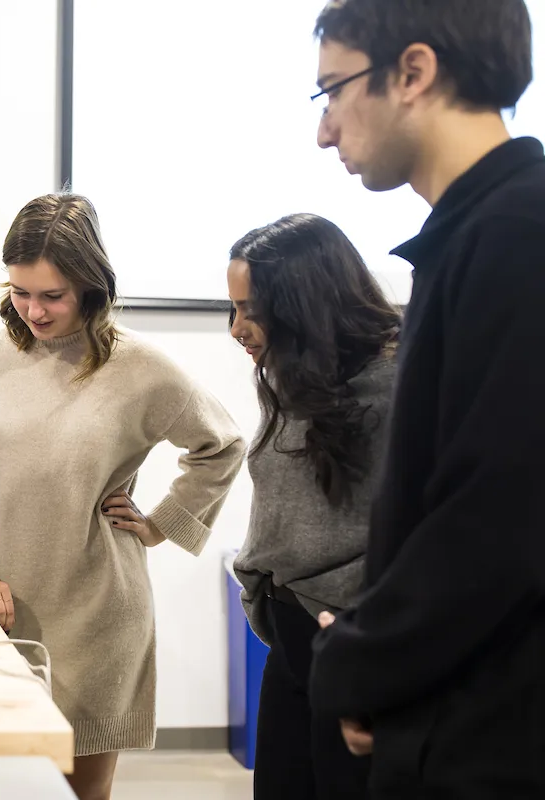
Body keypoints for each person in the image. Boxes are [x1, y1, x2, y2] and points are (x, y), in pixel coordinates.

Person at [306, 1, 545, 796]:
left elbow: (498, 516)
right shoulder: (477, 232)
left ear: (412, 72)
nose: (325, 129)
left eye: (331, 93)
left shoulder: (519, 233)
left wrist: (363, 661)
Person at [0, 193, 245, 800]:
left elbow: (222, 444)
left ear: (91, 285)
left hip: (99, 615)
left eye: (52, 295)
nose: (33, 310)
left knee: (81, 795)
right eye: (21, 291)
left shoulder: (140, 368)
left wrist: (163, 523)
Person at [229, 213, 400, 799]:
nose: (236, 327)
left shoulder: (395, 385)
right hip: (293, 636)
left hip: (353, 644)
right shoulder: (296, 380)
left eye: (250, 309)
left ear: (302, 303)